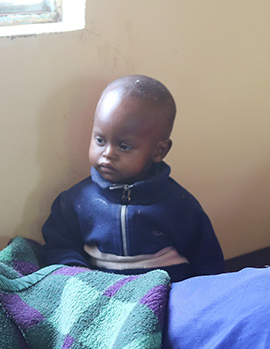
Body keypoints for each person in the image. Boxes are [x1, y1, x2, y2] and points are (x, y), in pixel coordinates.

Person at [40, 75, 224, 281]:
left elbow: (209, 267)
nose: (107, 153)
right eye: (100, 140)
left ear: (159, 150)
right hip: (104, 296)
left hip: (168, 296)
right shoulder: (74, 202)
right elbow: (59, 248)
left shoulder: (181, 207)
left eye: (124, 146)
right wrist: (79, 277)